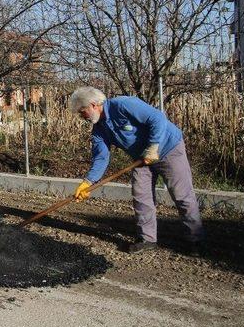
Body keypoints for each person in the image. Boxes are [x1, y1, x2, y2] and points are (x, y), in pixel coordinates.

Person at [69, 87, 204, 254]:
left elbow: (157, 118)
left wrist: (153, 146)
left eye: (83, 112)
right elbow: (101, 158)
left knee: (182, 195)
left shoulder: (125, 104)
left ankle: (195, 240)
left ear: (94, 105)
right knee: (141, 196)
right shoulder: (99, 129)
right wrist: (87, 182)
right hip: (141, 158)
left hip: (169, 149)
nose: (83, 117)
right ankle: (147, 239)